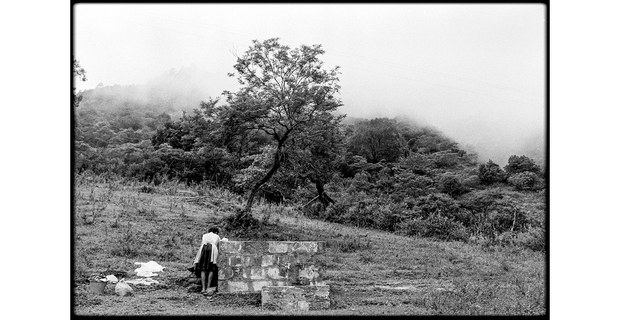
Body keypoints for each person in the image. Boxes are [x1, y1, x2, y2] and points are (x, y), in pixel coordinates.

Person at [193, 226, 221, 299]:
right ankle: (208, 287)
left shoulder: (204, 235)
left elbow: (202, 244)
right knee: (211, 269)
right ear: (216, 232)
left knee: (203, 269)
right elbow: (218, 246)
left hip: (204, 250)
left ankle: (203, 288)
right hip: (212, 250)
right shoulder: (217, 236)